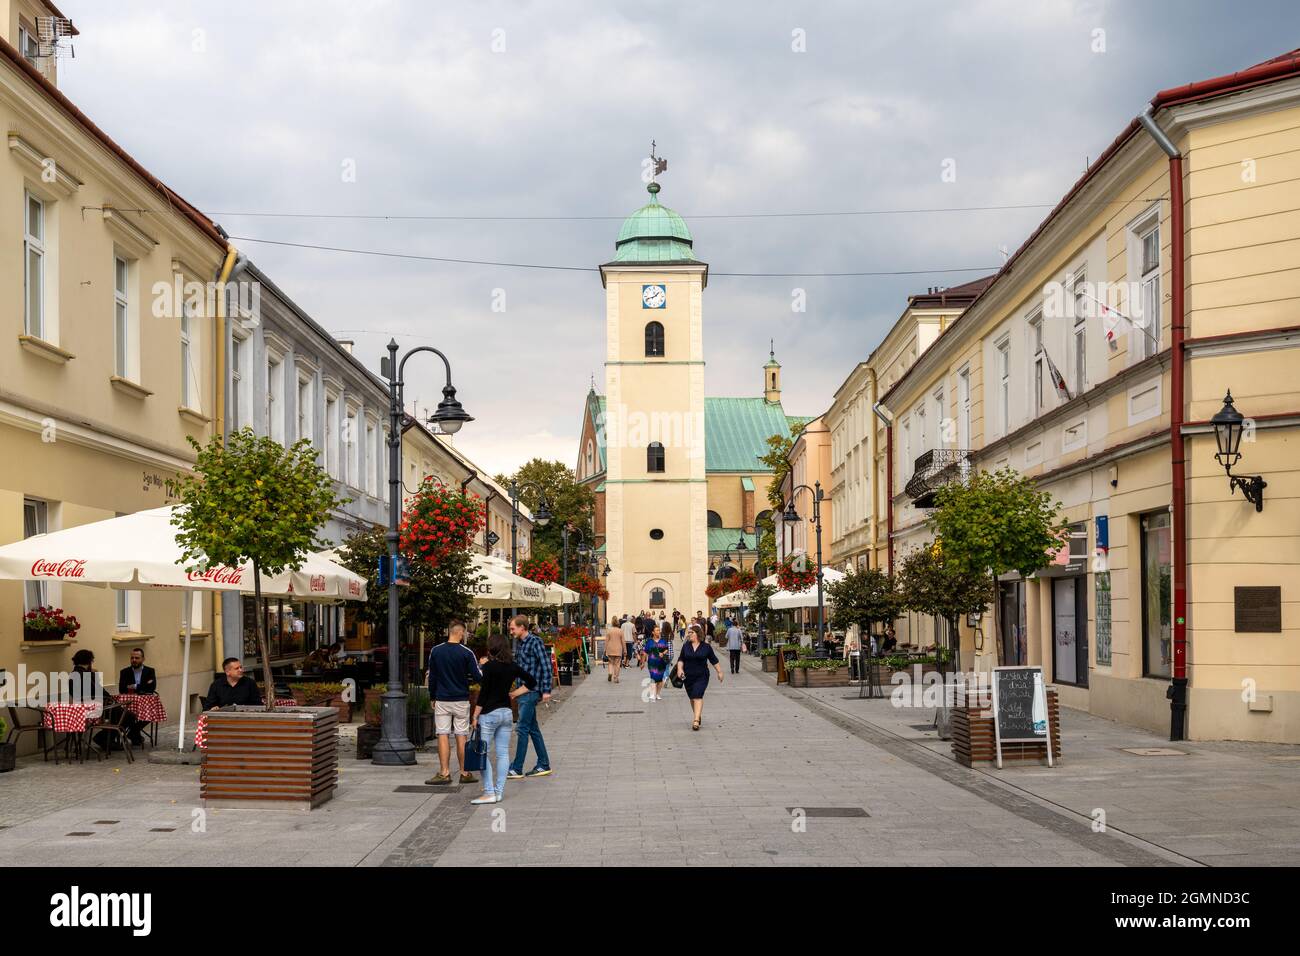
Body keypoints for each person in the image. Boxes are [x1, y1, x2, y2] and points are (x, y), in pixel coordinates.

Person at [470, 634, 537, 805]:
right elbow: (531, 681)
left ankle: (489, 792)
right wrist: (514, 693)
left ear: (491, 648)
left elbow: (484, 694)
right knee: (502, 753)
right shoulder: (512, 666)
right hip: (506, 713)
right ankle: (499, 792)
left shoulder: (490, 667)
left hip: (489, 714)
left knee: (482, 753)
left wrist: (475, 715)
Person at [425, 621, 483, 786]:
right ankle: (464, 772)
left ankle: (444, 772)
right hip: (461, 699)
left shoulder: (436, 651)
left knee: (442, 734)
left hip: (442, 699)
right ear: (460, 633)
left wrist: (432, 696)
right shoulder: (467, 652)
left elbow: (432, 677)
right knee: (461, 735)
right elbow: (478, 676)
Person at [508, 614, 553, 778]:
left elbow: (546, 665)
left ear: (522, 627)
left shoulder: (534, 642)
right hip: (523, 690)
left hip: (531, 691)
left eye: (513, 628)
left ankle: (517, 768)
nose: (511, 631)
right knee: (533, 729)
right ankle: (543, 764)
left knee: (522, 728)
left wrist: (547, 690)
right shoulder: (520, 643)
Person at [675, 624, 722, 731]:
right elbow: (681, 659)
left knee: (697, 696)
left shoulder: (706, 647)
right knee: (692, 697)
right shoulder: (686, 646)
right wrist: (679, 669)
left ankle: (696, 720)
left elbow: (714, 660)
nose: (689, 634)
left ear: (697, 634)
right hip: (687, 676)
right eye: (689, 632)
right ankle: (697, 714)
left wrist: (720, 672)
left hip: (702, 676)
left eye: (691, 632)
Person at [117, 647, 156, 746]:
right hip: (129, 704)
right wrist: (143, 686)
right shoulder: (124, 672)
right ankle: (135, 735)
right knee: (128, 716)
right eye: (132, 658)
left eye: (137, 658)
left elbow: (151, 687)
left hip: (145, 703)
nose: (134, 660)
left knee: (150, 714)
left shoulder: (150, 671)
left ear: (143, 659)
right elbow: (122, 689)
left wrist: (134, 686)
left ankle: (132, 733)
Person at [641, 621, 673, 700]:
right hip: (652, 662)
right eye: (657, 630)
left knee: (660, 679)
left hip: (661, 662)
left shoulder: (663, 640)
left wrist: (663, 653)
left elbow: (666, 649)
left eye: (659, 630)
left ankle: (658, 693)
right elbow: (645, 652)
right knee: (653, 678)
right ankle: (652, 694)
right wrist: (642, 662)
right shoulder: (649, 641)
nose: (659, 632)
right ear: (653, 632)